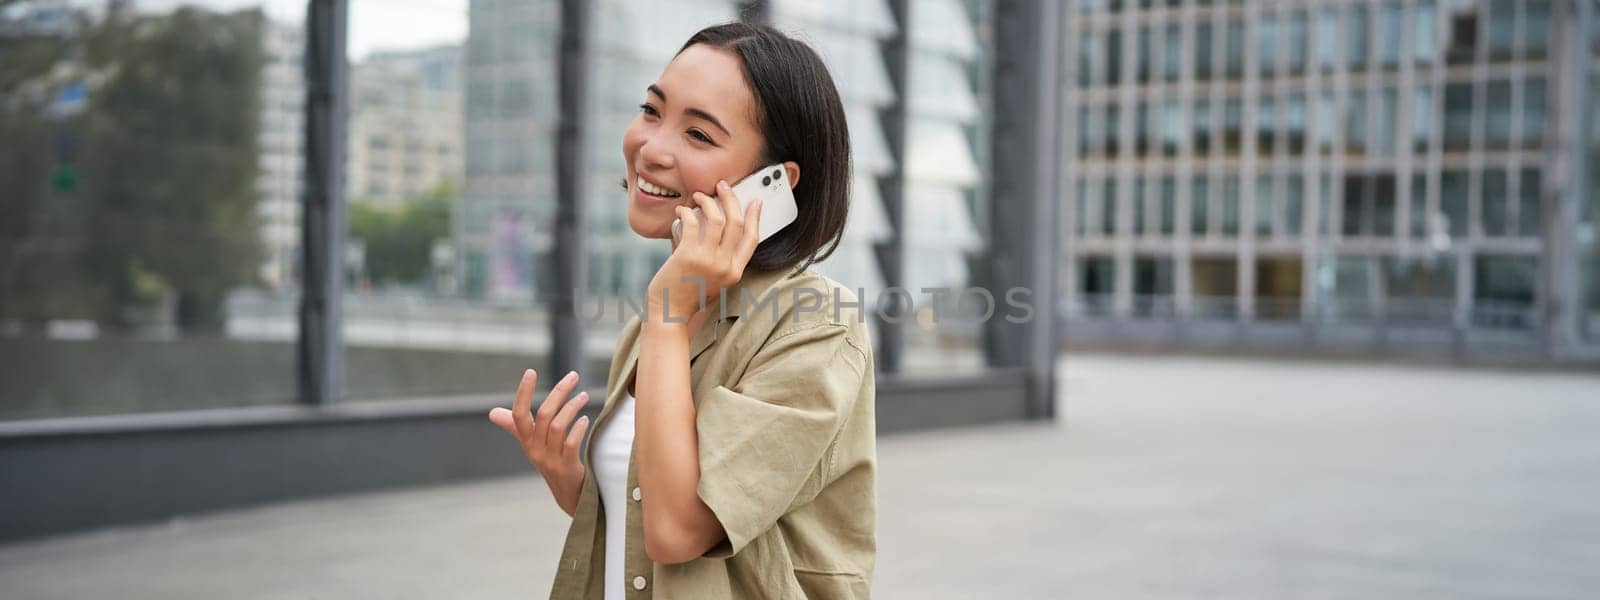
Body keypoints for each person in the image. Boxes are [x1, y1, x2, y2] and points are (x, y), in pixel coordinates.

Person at [488, 22, 876, 599]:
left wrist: (667, 316)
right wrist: (576, 484)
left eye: (697, 134)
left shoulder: (814, 323)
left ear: (773, 184)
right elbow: (649, 527)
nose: (652, 148)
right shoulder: (661, 316)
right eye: (651, 110)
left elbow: (677, 533)